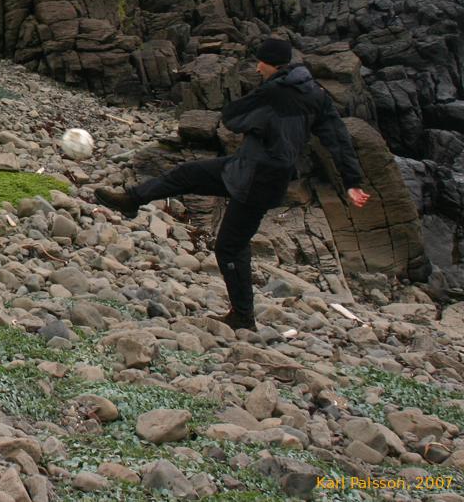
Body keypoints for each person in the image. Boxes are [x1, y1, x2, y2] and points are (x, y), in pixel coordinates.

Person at [95, 37, 371, 332]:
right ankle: (132, 199)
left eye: (260, 63)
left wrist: (257, 118)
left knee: (230, 246)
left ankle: (243, 317)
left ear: (269, 64)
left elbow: (233, 117)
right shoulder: (316, 95)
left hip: (257, 179)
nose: (257, 68)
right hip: (251, 170)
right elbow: (338, 139)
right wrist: (352, 182)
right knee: (186, 174)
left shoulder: (274, 92)